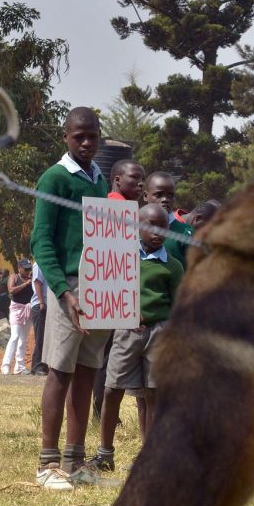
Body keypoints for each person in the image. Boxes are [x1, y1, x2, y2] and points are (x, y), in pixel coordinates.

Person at [30, 106, 111, 490]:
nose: (85, 142)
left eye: (91, 135)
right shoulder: (54, 178)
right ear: (65, 136)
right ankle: (47, 466)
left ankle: (76, 462)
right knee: (60, 374)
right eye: (78, 136)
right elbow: (40, 240)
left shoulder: (98, 180)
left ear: (99, 136)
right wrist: (62, 291)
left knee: (86, 374)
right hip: (69, 288)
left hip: (101, 288)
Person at [89, 204, 184, 471]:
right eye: (151, 226)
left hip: (160, 333)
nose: (157, 232)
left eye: (162, 227)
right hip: (126, 331)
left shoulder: (172, 266)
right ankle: (104, 454)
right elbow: (106, 288)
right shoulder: (123, 257)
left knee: (154, 394)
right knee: (112, 389)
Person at [92, 158, 147, 420]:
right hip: (116, 294)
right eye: (134, 178)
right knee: (109, 357)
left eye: (141, 179)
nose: (140, 184)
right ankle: (104, 411)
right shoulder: (118, 208)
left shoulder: (120, 206)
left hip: (112, 294)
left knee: (104, 357)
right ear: (116, 179)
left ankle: (102, 410)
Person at [1, 258, 33, 375]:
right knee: (15, 336)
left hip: (28, 310)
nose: (28, 271)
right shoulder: (14, 277)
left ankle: (19, 366)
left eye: (29, 268)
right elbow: (11, 290)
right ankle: (6, 365)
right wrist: (25, 284)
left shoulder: (31, 278)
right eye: (26, 269)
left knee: (23, 339)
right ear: (20, 268)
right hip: (16, 310)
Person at [30, 262, 49, 375]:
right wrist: (42, 303)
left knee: (46, 338)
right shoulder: (39, 264)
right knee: (40, 337)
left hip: (48, 304)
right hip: (40, 305)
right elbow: (37, 282)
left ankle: (43, 365)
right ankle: (38, 366)